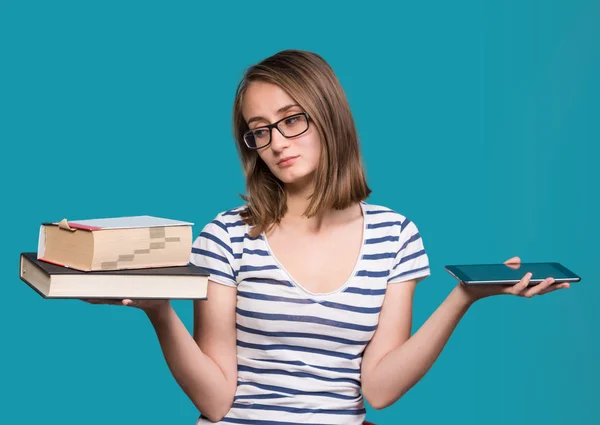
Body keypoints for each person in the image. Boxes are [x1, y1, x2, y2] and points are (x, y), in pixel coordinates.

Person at [84, 50, 570, 424]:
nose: (277, 143)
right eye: (259, 131)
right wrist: (160, 312)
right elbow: (215, 399)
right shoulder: (226, 235)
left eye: (292, 120)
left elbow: (378, 389)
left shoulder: (394, 235)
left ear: (329, 116)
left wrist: (464, 296)